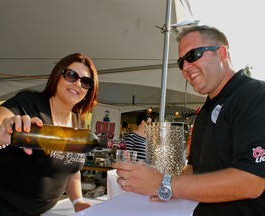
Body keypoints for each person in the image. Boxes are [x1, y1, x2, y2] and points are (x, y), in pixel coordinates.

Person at [113, 25, 265, 216]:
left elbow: (252, 182)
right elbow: (195, 169)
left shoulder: (255, 96)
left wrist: (164, 183)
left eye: (192, 55)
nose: (185, 67)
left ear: (222, 53)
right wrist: (159, 184)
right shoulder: (206, 109)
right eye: (181, 62)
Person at [0, 53, 99, 215]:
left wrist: (78, 201)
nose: (77, 83)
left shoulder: (79, 122)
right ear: (57, 76)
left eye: (86, 81)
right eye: (71, 75)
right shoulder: (27, 103)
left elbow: (71, 167)